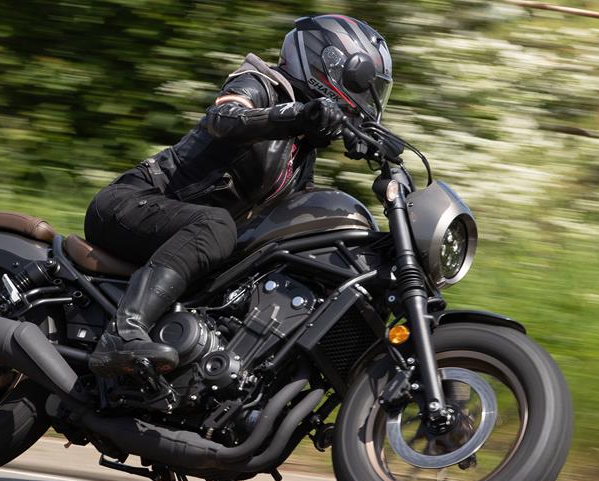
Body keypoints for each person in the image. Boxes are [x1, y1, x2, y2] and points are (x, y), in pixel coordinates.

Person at [85, 14, 393, 377]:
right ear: (329, 63)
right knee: (215, 225)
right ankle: (122, 333)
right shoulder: (259, 83)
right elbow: (225, 119)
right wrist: (297, 114)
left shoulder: (300, 153)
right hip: (130, 202)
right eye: (362, 82)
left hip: (186, 235)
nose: (365, 95)